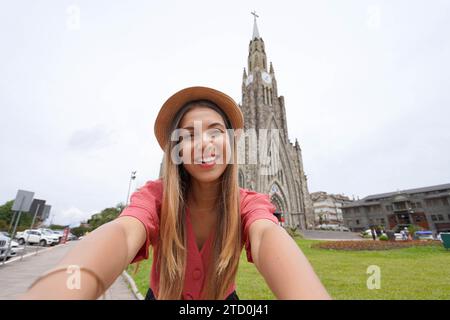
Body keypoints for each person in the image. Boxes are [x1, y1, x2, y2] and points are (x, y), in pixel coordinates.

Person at [21, 86, 331, 300]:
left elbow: (265, 235)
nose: (206, 142)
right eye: (190, 135)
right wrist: (67, 284)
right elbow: (125, 232)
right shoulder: (155, 197)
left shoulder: (248, 202)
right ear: (176, 150)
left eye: (216, 131)